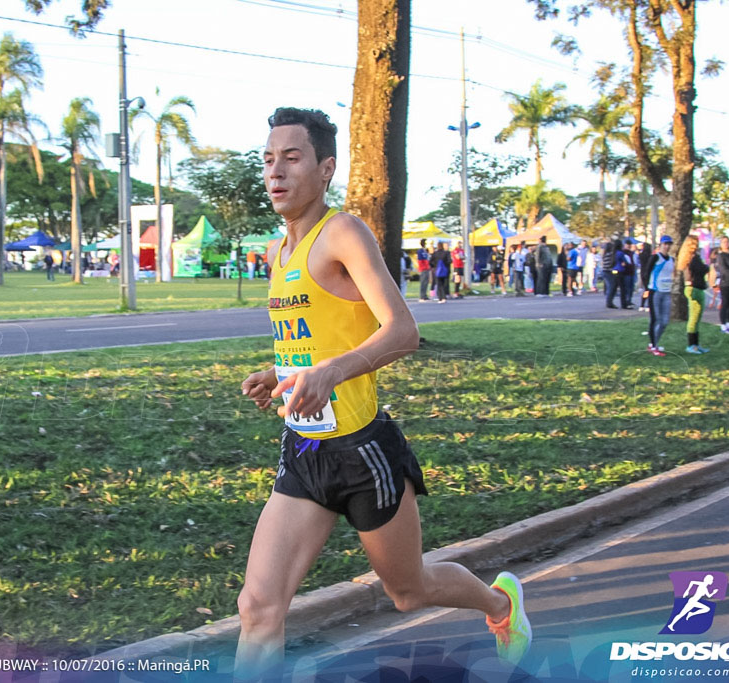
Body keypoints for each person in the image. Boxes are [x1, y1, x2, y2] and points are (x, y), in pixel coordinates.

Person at [238, 108, 530, 679]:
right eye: (269, 159)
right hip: (304, 452)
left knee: (408, 590)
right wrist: (281, 373)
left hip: (363, 453)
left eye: (291, 158)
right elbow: (319, 335)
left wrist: (331, 373)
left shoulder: (342, 232)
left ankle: (500, 604)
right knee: (258, 607)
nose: (276, 171)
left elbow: (401, 331)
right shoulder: (280, 252)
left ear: (325, 169)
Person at [678, 234, 710, 354]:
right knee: (694, 318)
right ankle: (691, 345)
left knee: (695, 318)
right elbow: (702, 269)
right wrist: (708, 267)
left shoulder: (687, 258)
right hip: (695, 288)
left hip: (692, 287)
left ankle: (695, 344)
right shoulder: (693, 258)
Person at [646, 236, 675, 356]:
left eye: (669, 244)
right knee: (655, 319)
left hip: (666, 292)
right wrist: (646, 288)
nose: (667, 246)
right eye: (665, 244)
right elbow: (646, 272)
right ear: (661, 245)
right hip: (655, 291)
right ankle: (653, 346)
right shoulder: (655, 257)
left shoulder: (671, 260)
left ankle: (655, 343)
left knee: (665, 321)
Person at [601, 237, 620, 307]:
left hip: (605, 271)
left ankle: (609, 301)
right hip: (608, 272)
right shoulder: (610, 255)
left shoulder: (605, 255)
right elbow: (611, 264)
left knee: (611, 286)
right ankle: (609, 302)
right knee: (611, 287)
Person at [637, 243, 653, 310]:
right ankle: (648, 305)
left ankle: (642, 304)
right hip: (649, 273)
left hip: (643, 273)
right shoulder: (650, 256)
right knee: (649, 290)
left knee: (646, 289)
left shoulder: (641, 255)